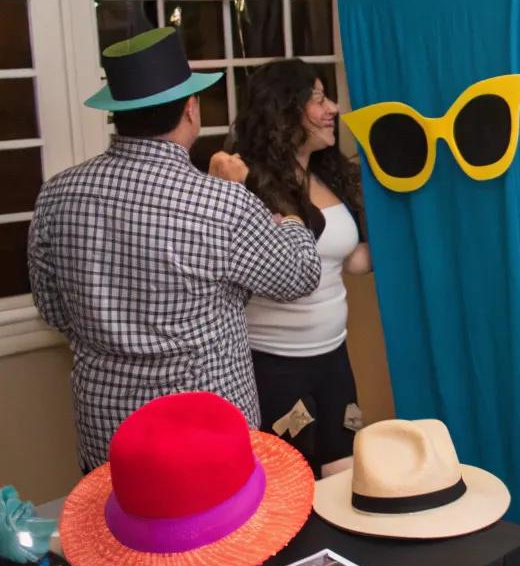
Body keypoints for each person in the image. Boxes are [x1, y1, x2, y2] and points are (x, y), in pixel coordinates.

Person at [29, 28, 321, 471]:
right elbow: (299, 275)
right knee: (220, 540)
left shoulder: (57, 194)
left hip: (108, 435)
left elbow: (52, 308)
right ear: (190, 108)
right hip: (205, 437)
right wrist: (291, 222)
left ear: (118, 114)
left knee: (119, 537)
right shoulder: (219, 202)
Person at [209, 59, 371, 479]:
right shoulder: (247, 182)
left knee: (346, 471)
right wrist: (228, 190)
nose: (332, 107)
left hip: (334, 356)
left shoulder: (328, 176)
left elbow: (349, 260)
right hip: (274, 364)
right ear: (283, 110)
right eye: (318, 99)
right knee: (292, 481)